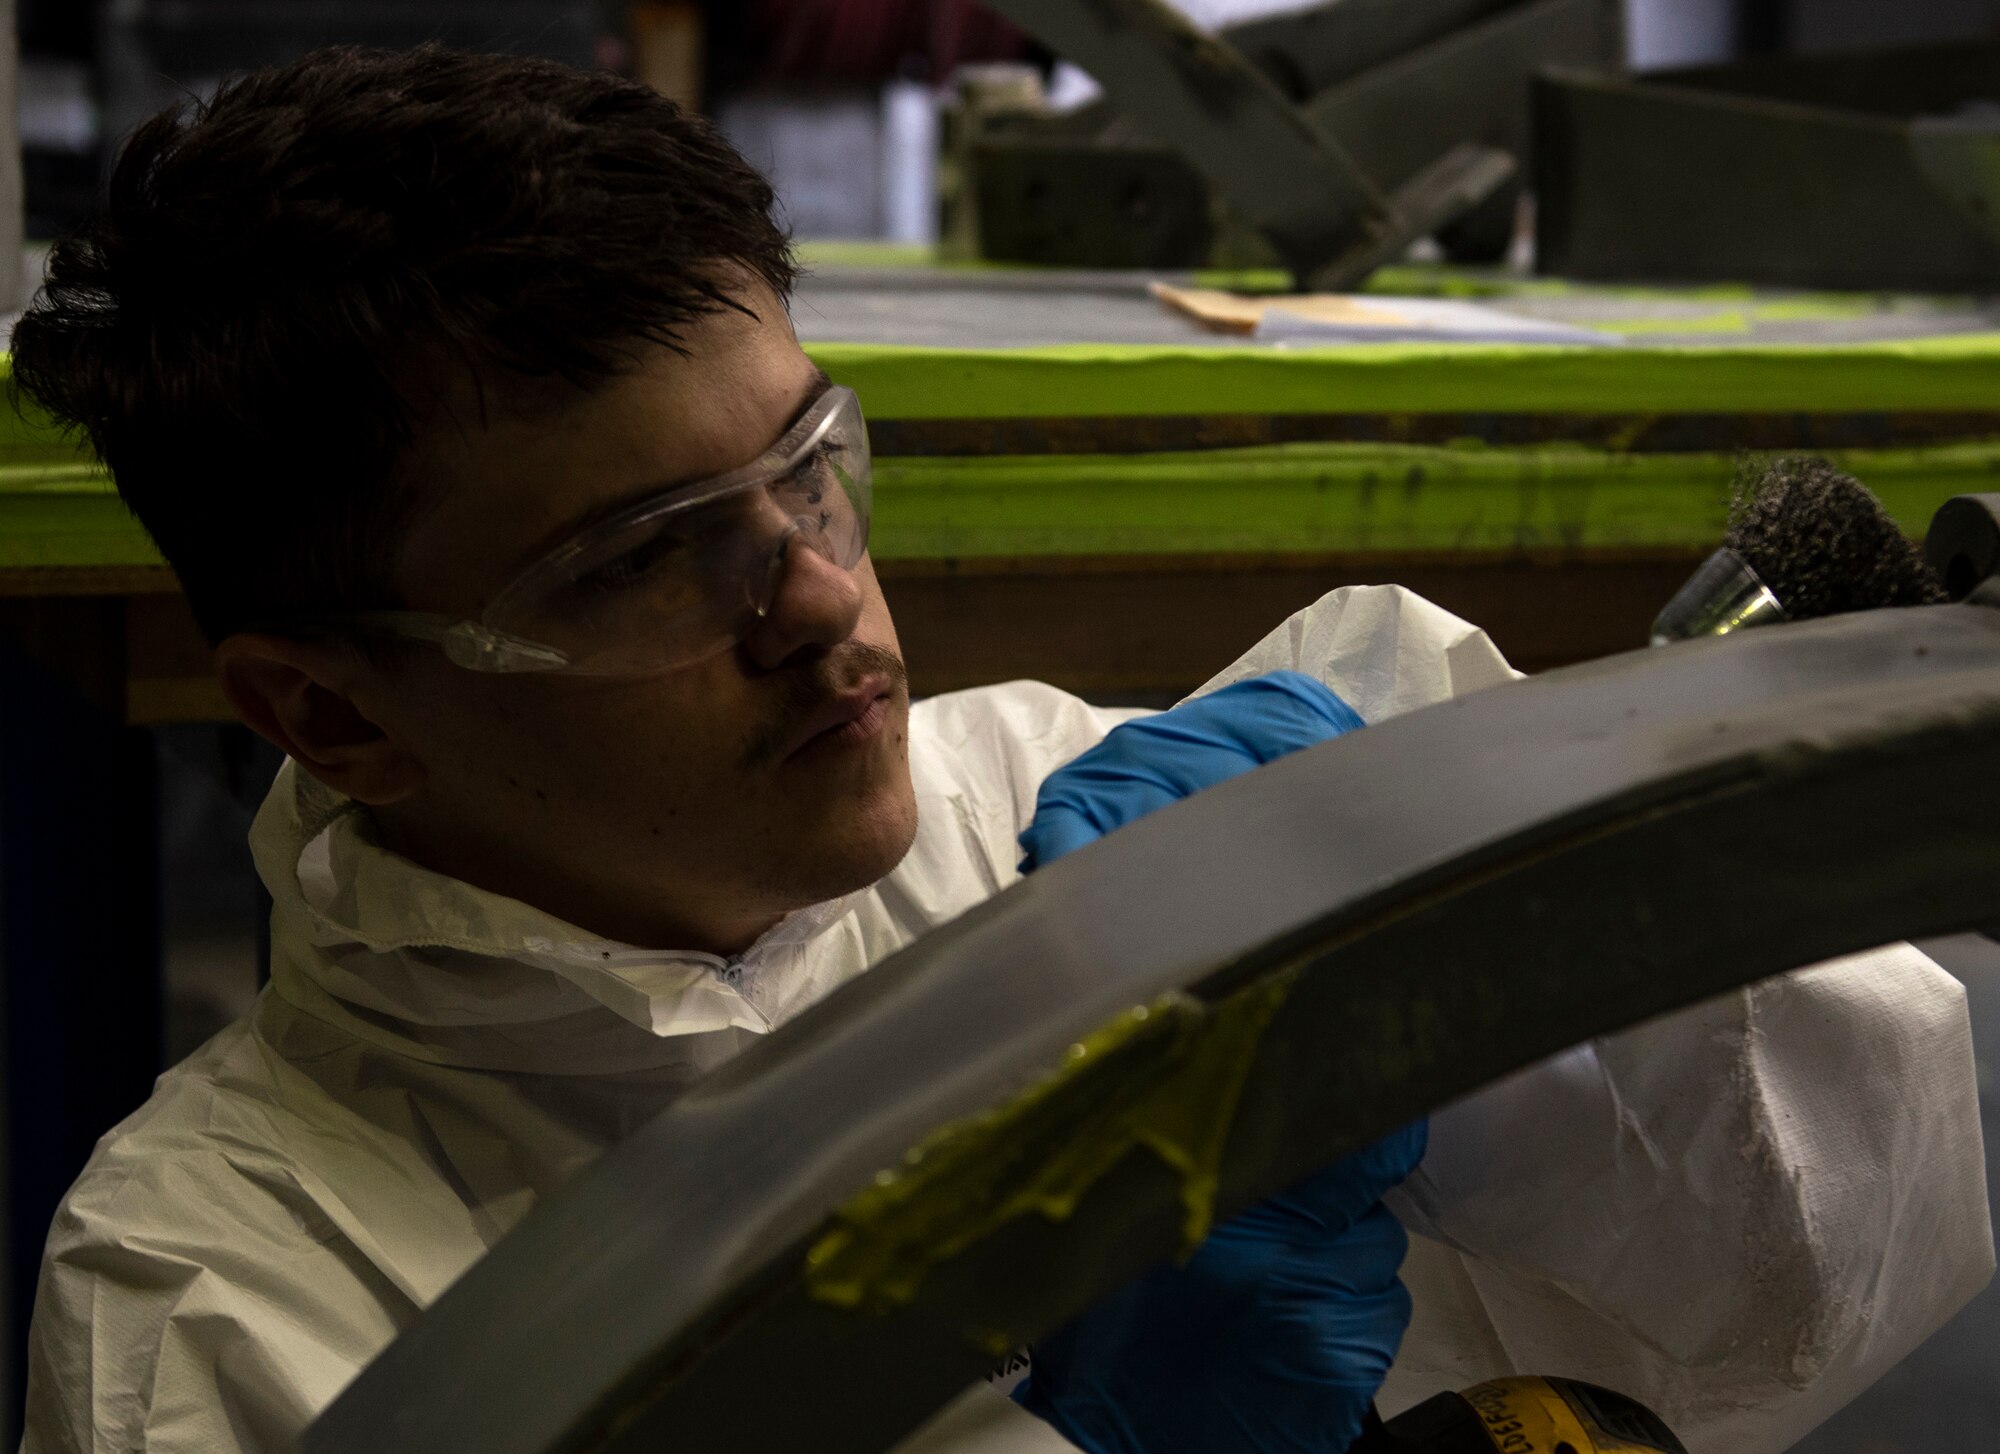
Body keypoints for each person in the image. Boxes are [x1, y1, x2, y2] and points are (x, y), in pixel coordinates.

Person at [7, 44, 1989, 1454]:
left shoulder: (1067, 813)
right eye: (643, 562)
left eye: (811, 469)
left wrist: (1518, 983)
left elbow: (1852, 1228)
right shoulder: (228, 1304)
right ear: (329, 708)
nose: (816, 604)